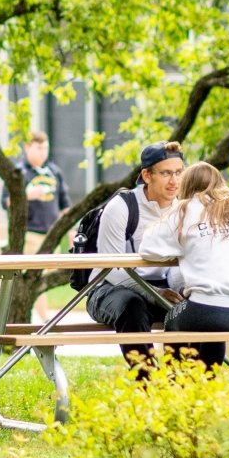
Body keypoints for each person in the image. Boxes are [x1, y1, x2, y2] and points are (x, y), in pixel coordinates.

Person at [137, 161, 229, 366]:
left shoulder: (185, 209)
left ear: (186, 186)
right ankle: (209, 383)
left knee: (173, 320)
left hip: (209, 310)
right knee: (213, 327)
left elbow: (148, 248)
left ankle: (175, 385)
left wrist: (181, 246)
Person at [82, 142, 189, 337]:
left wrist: (182, 289)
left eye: (179, 172)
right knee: (133, 306)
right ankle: (144, 369)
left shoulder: (184, 210)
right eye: (166, 173)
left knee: (196, 307)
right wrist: (155, 293)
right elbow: (111, 271)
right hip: (110, 289)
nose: (174, 181)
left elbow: (179, 266)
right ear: (147, 175)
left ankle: (181, 368)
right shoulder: (121, 207)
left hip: (162, 289)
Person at [5, 131, 70, 239]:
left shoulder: (54, 172)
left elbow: (65, 205)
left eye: (46, 148)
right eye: (39, 148)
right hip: (28, 235)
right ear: (27, 147)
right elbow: (6, 202)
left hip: (52, 235)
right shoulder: (18, 173)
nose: (43, 152)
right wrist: (27, 196)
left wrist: (72, 231)